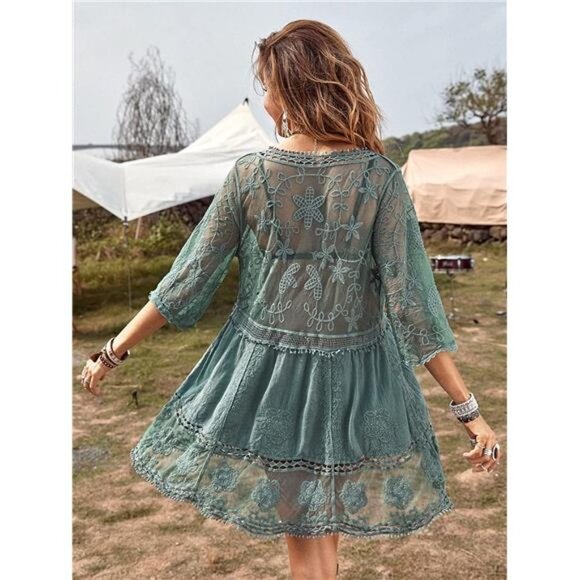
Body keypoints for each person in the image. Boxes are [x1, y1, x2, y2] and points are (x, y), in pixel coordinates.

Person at [79, 19, 500, 580]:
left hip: (272, 381)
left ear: (291, 88)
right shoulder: (378, 178)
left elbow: (186, 280)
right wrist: (468, 409)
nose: (265, 100)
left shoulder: (252, 175)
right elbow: (413, 303)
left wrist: (111, 352)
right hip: (357, 381)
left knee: (308, 544)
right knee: (319, 542)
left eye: (267, 87)